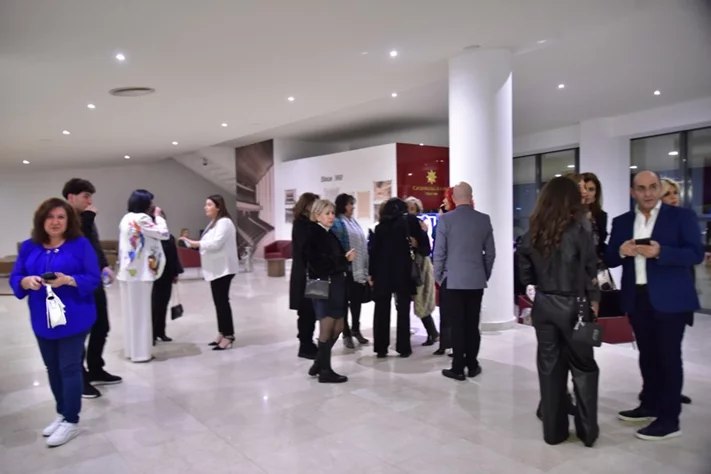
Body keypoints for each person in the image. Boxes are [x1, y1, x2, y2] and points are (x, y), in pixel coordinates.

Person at [606, 170, 703, 441]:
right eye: (641, 188)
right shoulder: (623, 221)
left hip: (671, 299)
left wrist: (661, 252)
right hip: (637, 298)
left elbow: (695, 253)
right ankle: (649, 404)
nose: (648, 193)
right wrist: (622, 250)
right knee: (647, 355)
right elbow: (610, 257)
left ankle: (669, 419)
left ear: (659, 189)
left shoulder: (681, 217)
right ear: (632, 192)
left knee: (668, 357)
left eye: (653, 187)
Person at [10, 198, 101, 447]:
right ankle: (62, 413)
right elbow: (16, 276)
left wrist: (68, 280)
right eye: (50, 217)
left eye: (61, 217)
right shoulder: (29, 247)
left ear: (69, 220)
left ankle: (71, 421)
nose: (55, 221)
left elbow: (93, 278)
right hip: (43, 319)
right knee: (52, 368)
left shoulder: (80, 245)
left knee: (69, 368)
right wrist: (24, 282)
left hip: (75, 317)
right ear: (42, 220)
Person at [517, 177, 600, 447]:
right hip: (574, 306)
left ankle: (554, 432)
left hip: (544, 306)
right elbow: (591, 269)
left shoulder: (533, 229)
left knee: (549, 368)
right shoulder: (581, 227)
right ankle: (587, 432)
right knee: (584, 368)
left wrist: (536, 290)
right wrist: (594, 299)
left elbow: (524, 270)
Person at [62, 178, 121, 399]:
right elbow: (77, 247)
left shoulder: (88, 218)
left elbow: (94, 244)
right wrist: (87, 219)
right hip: (75, 283)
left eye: (90, 196)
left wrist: (104, 265)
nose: (90, 201)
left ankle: (96, 368)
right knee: (79, 332)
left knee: (102, 326)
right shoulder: (64, 218)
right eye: (86, 196)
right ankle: (81, 377)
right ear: (71, 197)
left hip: (94, 281)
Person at [434, 182, 494, 380]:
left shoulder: (445, 220)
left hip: (453, 281)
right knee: (472, 324)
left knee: (457, 325)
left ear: (453, 198)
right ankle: (473, 364)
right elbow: (490, 254)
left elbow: (439, 253)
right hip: (475, 281)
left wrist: (439, 277)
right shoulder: (484, 220)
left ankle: (458, 367)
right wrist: (484, 274)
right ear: (471, 196)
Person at [369, 198, 430, 358]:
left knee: (381, 310)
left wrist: (372, 274)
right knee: (403, 310)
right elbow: (425, 248)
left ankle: (381, 348)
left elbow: (373, 253)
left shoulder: (380, 227)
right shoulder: (410, 222)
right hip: (403, 272)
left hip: (382, 273)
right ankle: (404, 347)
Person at [304, 199, 355, 383]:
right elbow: (318, 265)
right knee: (326, 328)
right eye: (327, 213)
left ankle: (319, 362)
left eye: (332, 213)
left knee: (339, 326)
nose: (331, 216)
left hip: (336, 284)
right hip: (324, 284)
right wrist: (344, 260)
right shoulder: (314, 234)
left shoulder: (328, 233)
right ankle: (325, 370)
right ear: (317, 215)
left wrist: (343, 258)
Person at [181, 195, 239, 351]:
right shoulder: (214, 223)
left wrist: (196, 243)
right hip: (216, 269)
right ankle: (222, 332)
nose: (205, 207)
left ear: (218, 206)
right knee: (218, 302)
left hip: (223, 269)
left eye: (209, 204)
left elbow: (216, 243)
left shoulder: (224, 222)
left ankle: (228, 335)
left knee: (222, 302)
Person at [117, 190, 169, 363]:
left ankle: (132, 351)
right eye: (150, 202)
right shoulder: (142, 219)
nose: (152, 206)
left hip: (127, 272)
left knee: (131, 314)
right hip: (139, 273)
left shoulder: (126, 218)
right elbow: (163, 233)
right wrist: (159, 217)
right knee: (141, 314)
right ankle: (141, 354)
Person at [332, 194, 370, 349]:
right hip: (347, 269)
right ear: (343, 205)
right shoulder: (338, 223)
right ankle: (346, 333)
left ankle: (356, 329)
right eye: (350, 204)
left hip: (358, 269)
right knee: (343, 303)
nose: (352, 207)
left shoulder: (353, 221)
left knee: (356, 302)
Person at [405, 196, 439, 346]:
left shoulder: (420, 226)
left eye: (412, 209)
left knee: (421, 300)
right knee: (406, 300)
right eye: (407, 209)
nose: (409, 212)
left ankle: (433, 332)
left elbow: (426, 250)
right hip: (407, 267)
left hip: (420, 267)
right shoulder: (405, 225)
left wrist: (416, 244)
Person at [290, 192, 320, 360]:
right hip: (306, 274)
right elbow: (307, 249)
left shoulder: (308, 224)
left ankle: (308, 342)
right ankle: (305, 344)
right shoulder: (302, 225)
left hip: (312, 273)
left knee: (313, 311)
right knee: (307, 311)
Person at [151, 211, 184, 344]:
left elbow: (173, 257)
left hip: (167, 275)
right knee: (153, 306)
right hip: (154, 276)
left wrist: (175, 273)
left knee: (163, 304)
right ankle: (151, 334)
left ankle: (161, 332)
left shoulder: (169, 238)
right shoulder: (151, 237)